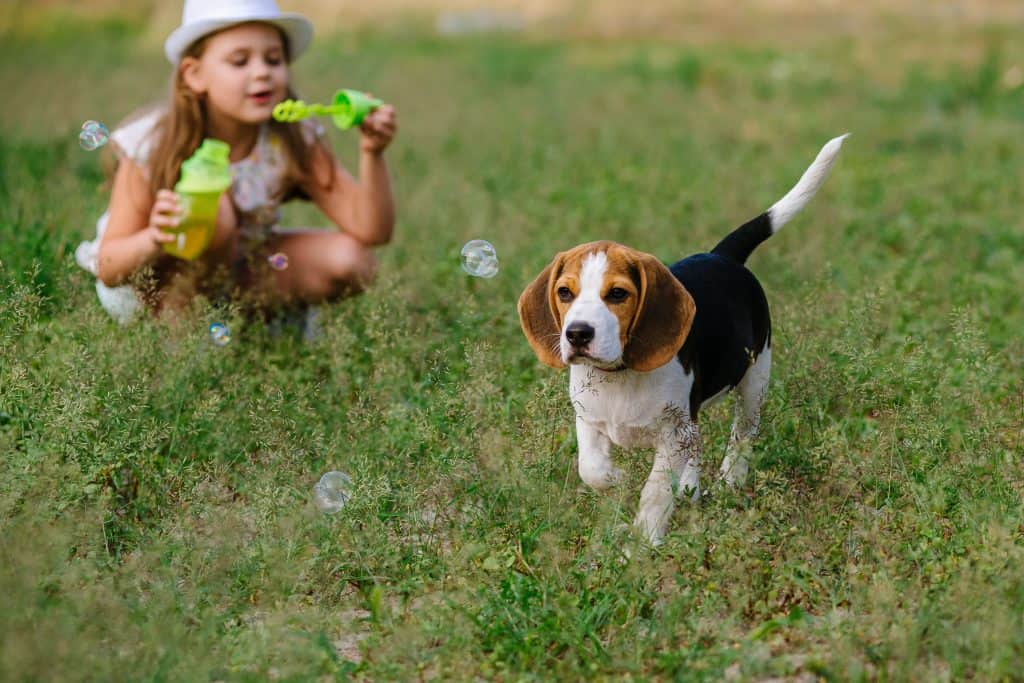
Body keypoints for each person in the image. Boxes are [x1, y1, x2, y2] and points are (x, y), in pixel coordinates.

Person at [75, 0, 397, 323]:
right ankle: (179, 333)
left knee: (354, 261)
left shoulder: (290, 136)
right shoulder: (154, 145)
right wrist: (156, 237)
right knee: (215, 209)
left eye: (274, 59)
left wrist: (372, 152)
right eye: (240, 61)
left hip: (235, 275)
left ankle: (244, 323)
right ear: (194, 74)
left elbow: (372, 230)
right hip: (150, 284)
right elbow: (109, 266)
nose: (262, 73)